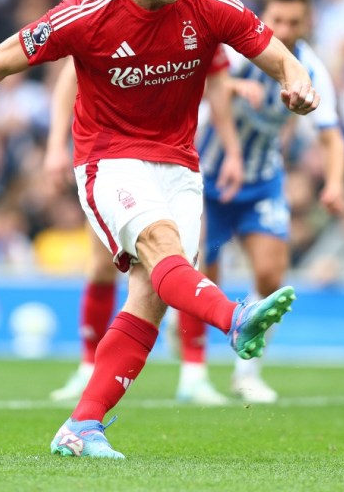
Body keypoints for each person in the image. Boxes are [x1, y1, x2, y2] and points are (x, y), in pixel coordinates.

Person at [0, 0, 317, 459]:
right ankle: (234, 318)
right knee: (162, 248)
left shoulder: (207, 5)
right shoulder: (88, 13)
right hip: (109, 159)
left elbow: (278, 56)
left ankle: (82, 426)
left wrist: (299, 82)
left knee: (152, 294)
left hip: (181, 166)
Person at [177, 0, 344, 404]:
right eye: (277, 20)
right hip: (207, 178)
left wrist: (335, 183)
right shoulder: (237, 52)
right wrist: (233, 87)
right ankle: (193, 374)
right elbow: (196, 84)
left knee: (271, 276)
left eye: (294, 21)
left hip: (262, 182)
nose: (285, 29)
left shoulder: (309, 68)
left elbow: (332, 135)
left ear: (307, 22)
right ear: (263, 17)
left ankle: (246, 374)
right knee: (202, 281)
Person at [45, 51, 245, 405]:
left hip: (175, 161)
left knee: (182, 261)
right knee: (102, 265)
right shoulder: (110, 12)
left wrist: (232, 149)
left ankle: (194, 373)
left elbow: (216, 84)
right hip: (114, 157)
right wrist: (56, 144)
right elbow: (68, 76)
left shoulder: (203, 15)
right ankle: (89, 368)